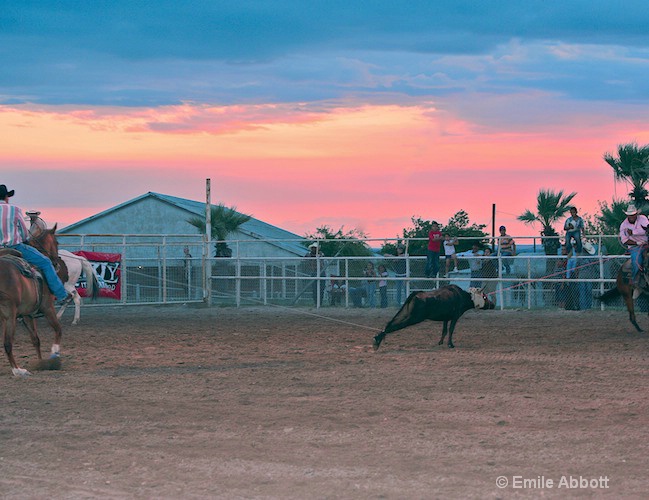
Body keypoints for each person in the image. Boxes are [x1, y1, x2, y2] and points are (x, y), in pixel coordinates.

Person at [0, 185, 72, 305]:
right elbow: (23, 231)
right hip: (14, 247)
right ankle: (61, 295)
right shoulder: (14, 209)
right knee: (45, 262)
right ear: (7, 197)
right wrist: (25, 239)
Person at [619, 204, 649, 288]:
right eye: (630, 215)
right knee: (636, 260)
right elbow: (624, 241)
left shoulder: (643, 219)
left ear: (636, 214)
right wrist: (637, 243)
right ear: (627, 215)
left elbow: (646, 229)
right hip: (635, 247)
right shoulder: (623, 225)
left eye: (633, 215)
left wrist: (633, 232)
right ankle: (636, 280)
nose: (632, 216)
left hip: (647, 244)